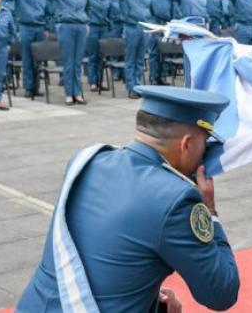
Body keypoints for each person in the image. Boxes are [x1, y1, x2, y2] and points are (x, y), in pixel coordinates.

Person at [17, 86, 240, 312]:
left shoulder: (87, 160)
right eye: (205, 144)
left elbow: (109, 253)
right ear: (187, 144)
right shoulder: (176, 197)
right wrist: (210, 212)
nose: (204, 153)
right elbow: (221, 293)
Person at [42, 0, 91, 105]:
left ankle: (78, 92)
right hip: (66, 26)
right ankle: (69, 93)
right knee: (68, 62)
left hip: (80, 26)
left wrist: (86, 21)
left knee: (78, 62)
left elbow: (88, 7)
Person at [108, 0, 155, 99]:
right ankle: (131, 87)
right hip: (131, 27)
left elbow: (150, 10)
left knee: (140, 59)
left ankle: (138, 85)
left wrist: (150, 26)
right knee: (131, 59)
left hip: (144, 27)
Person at [6, 0, 49, 98]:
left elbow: (48, 12)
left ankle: (36, 87)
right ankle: (28, 87)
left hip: (39, 28)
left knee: (38, 59)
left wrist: (46, 28)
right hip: (25, 27)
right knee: (27, 59)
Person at [86, 0, 112, 92]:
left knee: (101, 56)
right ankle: (92, 82)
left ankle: (100, 81)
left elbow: (109, 13)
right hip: (92, 27)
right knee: (93, 56)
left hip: (104, 28)